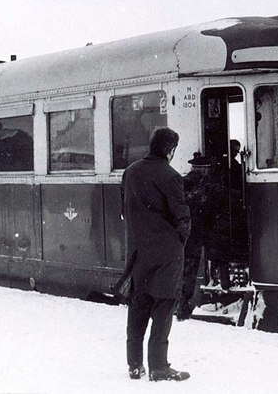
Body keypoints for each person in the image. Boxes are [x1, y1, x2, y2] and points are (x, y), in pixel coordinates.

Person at [121, 127, 191, 382]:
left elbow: (124, 210)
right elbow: (182, 218)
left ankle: (134, 364)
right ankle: (159, 367)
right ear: (170, 150)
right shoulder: (171, 176)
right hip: (166, 254)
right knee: (163, 307)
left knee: (138, 306)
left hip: (139, 251)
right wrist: (178, 242)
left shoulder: (130, 171)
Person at [178, 152, 214, 321]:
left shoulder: (184, 182)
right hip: (194, 233)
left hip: (186, 232)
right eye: (206, 169)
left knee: (186, 268)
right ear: (202, 169)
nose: (208, 172)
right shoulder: (198, 183)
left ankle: (182, 304)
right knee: (190, 268)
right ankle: (183, 305)